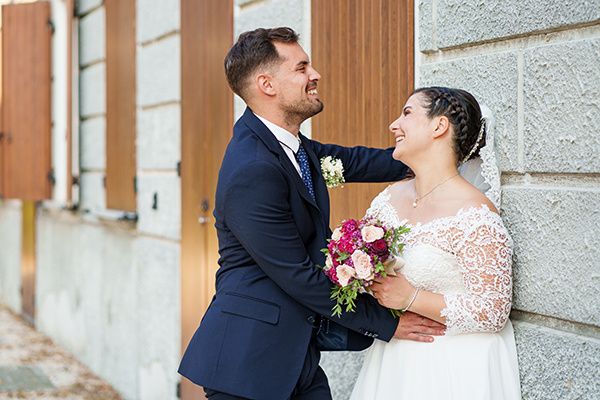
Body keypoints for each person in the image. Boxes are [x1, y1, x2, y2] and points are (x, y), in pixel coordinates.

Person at [178, 27, 445, 400]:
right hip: (246, 366)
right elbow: (298, 276)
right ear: (267, 84)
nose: (315, 74)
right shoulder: (252, 167)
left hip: (294, 357)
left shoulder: (293, 147)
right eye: (302, 68)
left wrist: (433, 150)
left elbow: (358, 161)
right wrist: (388, 322)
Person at [351, 86, 522, 399]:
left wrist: (411, 297)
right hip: (393, 363)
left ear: (439, 126)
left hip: (453, 368)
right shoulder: (387, 199)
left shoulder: (475, 214)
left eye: (407, 113)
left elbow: (494, 310)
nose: (394, 125)